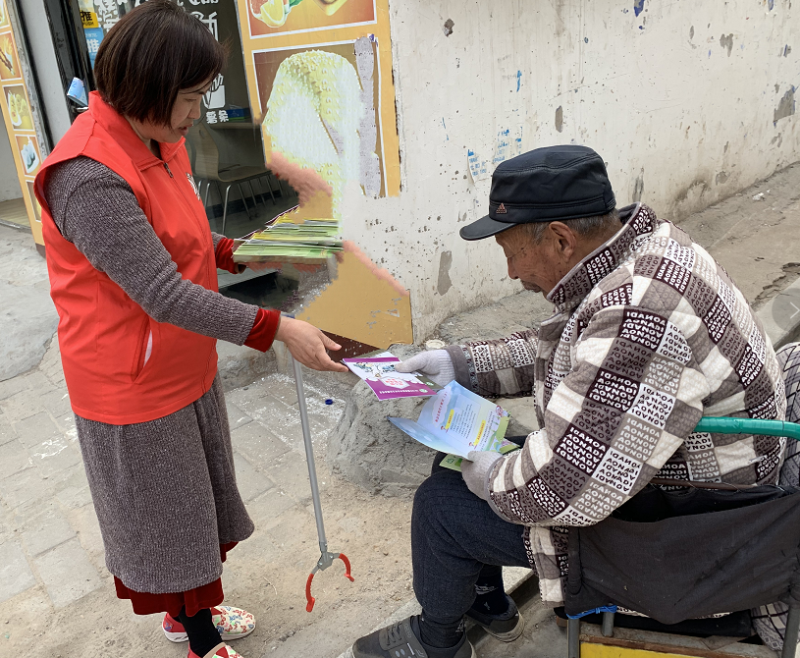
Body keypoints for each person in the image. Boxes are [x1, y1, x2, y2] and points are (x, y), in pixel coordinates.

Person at [351, 145, 787, 658]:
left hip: (690, 539)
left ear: (560, 239)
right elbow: (568, 347)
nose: (511, 272)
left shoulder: (641, 316)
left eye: (512, 252)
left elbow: (562, 489)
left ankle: (436, 642)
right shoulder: (647, 252)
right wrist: (461, 364)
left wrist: (492, 478)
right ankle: (485, 602)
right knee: (454, 462)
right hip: (693, 497)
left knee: (441, 507)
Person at [33, 3, 347, 658]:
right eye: (191, 96)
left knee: (196, 508)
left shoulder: (157, 142)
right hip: (133, 384)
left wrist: (245, 252)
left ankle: (192, 616)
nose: (196, 113)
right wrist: (277, 328)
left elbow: (182, 240)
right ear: (149, 86)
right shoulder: (88, 177)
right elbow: (162, 291)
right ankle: (201, 640)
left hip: (183, 365)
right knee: (171, 521)